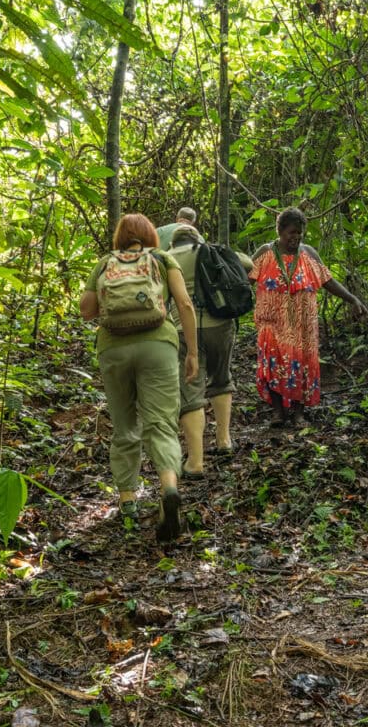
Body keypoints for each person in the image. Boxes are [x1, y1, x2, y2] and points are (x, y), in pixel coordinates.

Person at [80, 213, 199, 543]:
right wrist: (192, 352)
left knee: (124, 425)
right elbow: (185, 303)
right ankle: (169, 487)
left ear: (120, 238)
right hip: (158, 344)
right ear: (150, 235)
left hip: (113, 349)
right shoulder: (162, 259)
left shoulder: (105, 263)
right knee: (160, 422)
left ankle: (128, 502)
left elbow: (86, 309)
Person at [250, 207, 368, 427]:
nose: (296, 237)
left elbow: (328, 281)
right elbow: (244, 277)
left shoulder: (309, 254)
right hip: (272, 324)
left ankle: (298, 414)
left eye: (300, 233)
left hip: (303, 327)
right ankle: (278, 413)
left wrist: (353, 299)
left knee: (302, 366)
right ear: (280, 231)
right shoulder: (265, 253)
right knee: (273, 365)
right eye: (292, 232)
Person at [166, 222, 254, 476]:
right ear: (196, 238)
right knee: (221, 376)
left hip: (184, 329)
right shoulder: (210, 250)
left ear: (174, 242)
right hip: (221, 323)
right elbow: (247, 264)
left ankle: (195, 461)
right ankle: (224, 440)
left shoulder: (165, 258)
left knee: (191, 389)